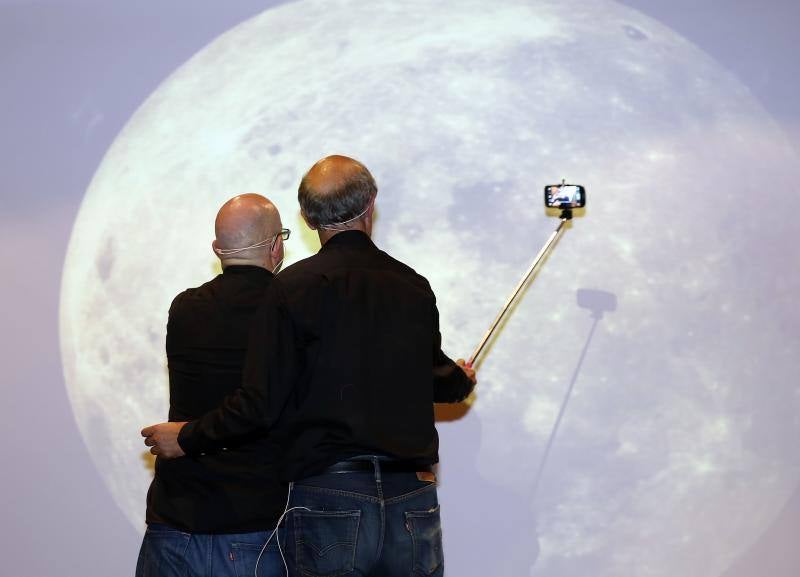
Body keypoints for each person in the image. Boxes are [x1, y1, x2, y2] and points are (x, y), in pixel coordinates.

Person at [143, 156, 477, 577]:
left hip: (329, 494)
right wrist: (460, 379)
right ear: (371, 203)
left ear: (305, 217)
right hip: (410, 493)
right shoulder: (411, 285)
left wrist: (188, 435)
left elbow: (261, 402)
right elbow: (441, 382)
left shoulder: (291, 289)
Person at [136, 194, 290, 577]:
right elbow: (261, 406)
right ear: (276, 245)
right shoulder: (289, 311)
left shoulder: (185, 307)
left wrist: (186, 436)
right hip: (251, 525)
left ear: (218, 249)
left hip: (172, 519)